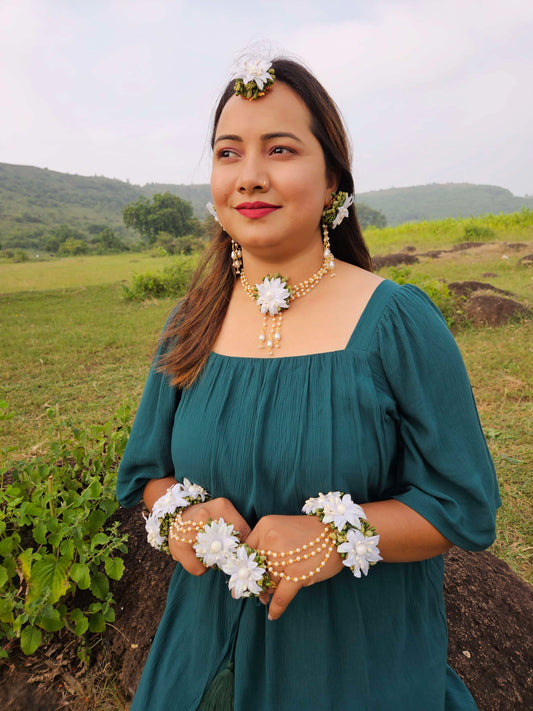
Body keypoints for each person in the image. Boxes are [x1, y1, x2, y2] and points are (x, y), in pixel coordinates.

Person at [116, 52, 500, 711]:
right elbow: (145, 477)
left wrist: (337, 536)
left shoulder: (396, 322)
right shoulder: (190, 325)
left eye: (281, 149)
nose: (250, 176)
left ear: (331, 181)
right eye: (228, 152)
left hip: (352, 670)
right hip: (195, 664)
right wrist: (180, 513)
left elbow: (461, 503)